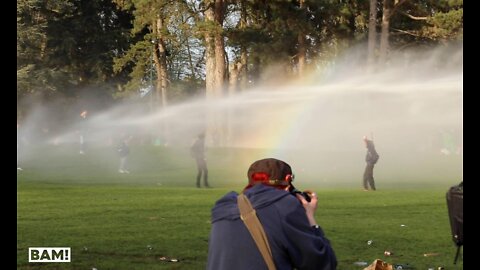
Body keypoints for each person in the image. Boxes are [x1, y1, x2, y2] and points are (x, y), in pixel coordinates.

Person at [206, 158, 337, 270]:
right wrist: (310, 218)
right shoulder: (285, 206)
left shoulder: (223, 207)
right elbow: (322, 263)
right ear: (287, 180)